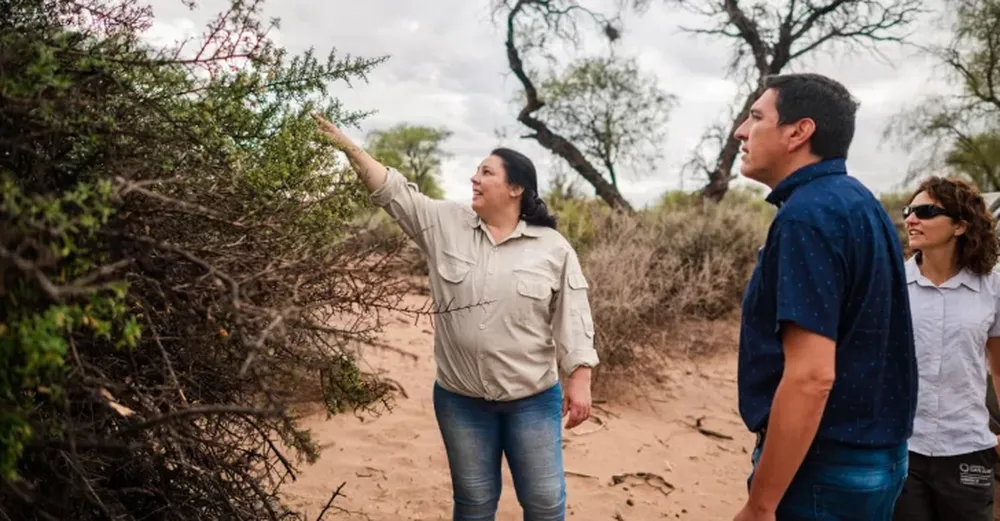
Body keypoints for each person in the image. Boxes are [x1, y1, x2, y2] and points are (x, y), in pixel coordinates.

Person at [310, 112, 599, 521]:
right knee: (475, 504)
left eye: (486, 172)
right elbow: (395, 192)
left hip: (532, 400)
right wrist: (351, 150)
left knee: (545, 503)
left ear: (515, 188)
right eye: (476, 171)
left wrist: (580, 378)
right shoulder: (445, 224)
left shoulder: (552, 247)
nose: (474, 179)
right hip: (461, 402)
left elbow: (573, 313)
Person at [732, 73, 917, 521]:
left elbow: (812, 376)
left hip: (825, 468)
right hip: (878, 457)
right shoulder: (860, 203)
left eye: (756, 117)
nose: (741, 130)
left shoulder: (806, 217)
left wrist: (761, 504)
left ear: (799, 131)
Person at [891, 177, 1000, 521]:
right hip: (903, 448)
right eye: (910, 211)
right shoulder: (892, 282)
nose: (911, 219)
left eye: (925, 212)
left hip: (969, 447)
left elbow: (999, 367)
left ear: (960, 226)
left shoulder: (992, 287)